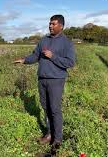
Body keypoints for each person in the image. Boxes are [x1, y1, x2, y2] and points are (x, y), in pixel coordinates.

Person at [14, 14, 75, 152]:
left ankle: (58, 139)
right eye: (49, 23)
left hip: (56, 80)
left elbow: (70, 62)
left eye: (53, 24)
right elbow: (35, 56)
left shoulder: (67, 43)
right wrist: (24, 60)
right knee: (46, 107)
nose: (50, 26)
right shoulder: (43, 41)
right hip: (42, 79)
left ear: (61, 26)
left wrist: (53, 56)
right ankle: (49, 134)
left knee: (54, 109)